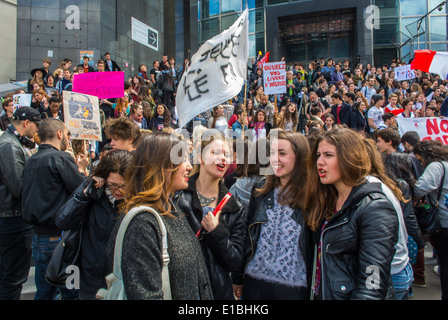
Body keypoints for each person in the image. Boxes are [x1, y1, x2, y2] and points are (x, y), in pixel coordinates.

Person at [105, 132, 213, 300]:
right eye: (182, 159)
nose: (189, 167)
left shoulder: (170, 209)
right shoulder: (142, 224)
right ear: (161, 166)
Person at [303, 128, 398, 299]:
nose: (320, 162)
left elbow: (372, 285)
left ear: (350, 157)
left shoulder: (375, 207)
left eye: (328, 155)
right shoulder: (327, 201)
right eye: (318, 155)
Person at [233, 130, 313, 300]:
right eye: (272, 153)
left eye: (282, 153)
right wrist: (238, 277)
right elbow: (248, 237)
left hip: (294, 289)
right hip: (254, 284)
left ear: (299, 157)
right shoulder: (261, 190)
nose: (275, 159)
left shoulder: (313, 197)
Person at [174, 130, 246, 300]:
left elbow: (235, 262)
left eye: (227, 155)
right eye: (215, 153)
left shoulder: (235, 207)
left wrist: (216, 232)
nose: (223, 158)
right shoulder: (178, 197)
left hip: (218, 293)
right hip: (183, 292)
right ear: (200, 157)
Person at [21, 118, 89, 300]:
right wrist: (82, 170)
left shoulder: (31, 159)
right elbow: (81, 190)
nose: (68, 137)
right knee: (70, 292)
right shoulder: (60, 158)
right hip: (58, 239)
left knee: (44, 290)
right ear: (60, 134)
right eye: (67, 134)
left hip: (39, 239)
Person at [56, 150, 132, 300]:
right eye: (113, 185)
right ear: (104, 178)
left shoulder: (136, 197)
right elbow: (63, 220)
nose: (119, 191)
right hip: (92, 277)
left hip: (124, 278)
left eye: (124, 185)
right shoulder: (91, 192)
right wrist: (85, 194)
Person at [0, 107, 40, 300]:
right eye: (36, 125)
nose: (37, 131)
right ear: (26, 123)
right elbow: (18, 186)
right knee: (13, 278)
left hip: (12, 216)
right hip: (12, 219)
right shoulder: (9, 146)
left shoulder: (13, 143)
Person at [383, 152, 426, 295]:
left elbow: (408, 216)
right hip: (398, 258)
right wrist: (420, 241)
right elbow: (408, 216)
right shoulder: (397, 185)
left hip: (394, 260)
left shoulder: (397, 186)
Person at [413, 140, 448, 300]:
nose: (421, 163)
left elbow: (421, 187)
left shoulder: (436, 166)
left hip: (443, 220)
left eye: (420, 160)